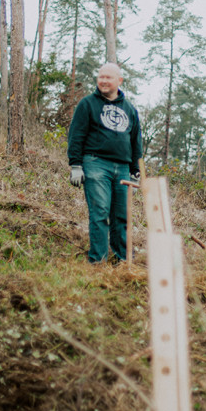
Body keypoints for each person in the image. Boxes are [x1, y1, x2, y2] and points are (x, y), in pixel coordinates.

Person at [67, 63, 143, 263]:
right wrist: (75, 165)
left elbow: (136, 143)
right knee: (100, 212)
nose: (103, 81)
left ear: (119, 81)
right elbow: (76, 136)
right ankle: (98, 261)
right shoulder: (88, 104)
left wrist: (136, 173)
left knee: (121, 216)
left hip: (124, 169)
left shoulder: (130, 110)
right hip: (96, 163)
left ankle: (124, 260)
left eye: (108, 77)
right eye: (100, 77)